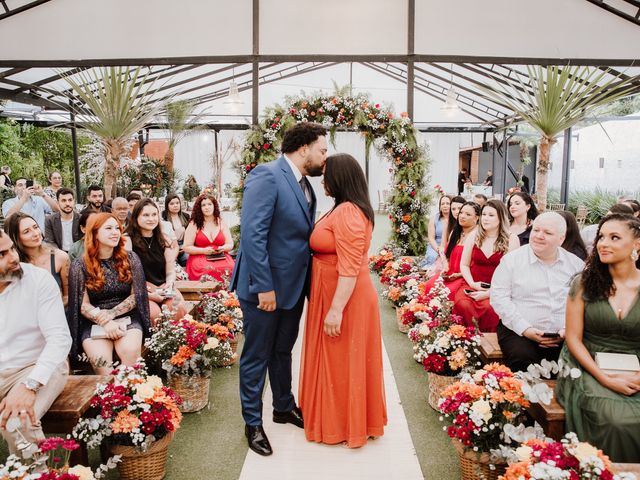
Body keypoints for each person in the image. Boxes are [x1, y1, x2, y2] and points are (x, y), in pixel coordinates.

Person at [230, 122, 327, 457]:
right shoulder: (267, 175)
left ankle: (283, 407)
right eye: (322, 150)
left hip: (293, 288)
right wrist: (264, 288)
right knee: (257, 354)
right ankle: (253, 422)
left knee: (283, 349)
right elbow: (253, 235)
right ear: (304, 149)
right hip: (265, 289)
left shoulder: (305, 185)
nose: (324, 157)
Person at [299, 153, 387, 448]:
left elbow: (350, 267)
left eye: (326, 175)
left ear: (340, 178)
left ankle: (343, 425)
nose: (322, 180)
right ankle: (336, 419)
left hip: (344, 297)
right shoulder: (342, 207)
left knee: (341, 361)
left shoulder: (349, 212)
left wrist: (335, 310)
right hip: (333, 292)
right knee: (337, 360)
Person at [556, 213, 640, 462]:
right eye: (601, 237)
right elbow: (573, 339)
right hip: (587, 362)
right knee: (615, 420)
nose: (603, 243)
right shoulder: (583, 283)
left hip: (635, 366)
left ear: (637, 244)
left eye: (615, 237)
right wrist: (605, 378)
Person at [0, 228, 71, 458]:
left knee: (17, 422)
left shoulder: (38, 280)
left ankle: (37, 473)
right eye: (2, 254)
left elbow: (59, 339)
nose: (14, 258)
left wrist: (30, 384)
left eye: (11, 248)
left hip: (40, 365)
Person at [491, 212, 584, 373]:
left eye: (548, 233)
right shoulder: (512, 261)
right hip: (519, 331)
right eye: (536, 230)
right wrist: (525, 329)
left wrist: (567, 329)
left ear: (561, 239)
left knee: (573, 366)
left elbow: (584, 301)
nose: (539, 236)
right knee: (523, 360)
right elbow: (499, 299)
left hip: (565, 333)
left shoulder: (576, 265)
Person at [66, 213, 151, 375]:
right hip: (94, 320)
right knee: (101, 362)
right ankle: (113, 398)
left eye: (117, 228)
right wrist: (105, 322)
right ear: (95, 233)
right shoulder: (80, 265)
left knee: (130, 353)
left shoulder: (130, 258)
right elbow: (82, 304)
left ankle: (134, 396)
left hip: (127, 316)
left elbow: (136, 296)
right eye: (108, 228)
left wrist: (111, 314)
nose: (115, 232)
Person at [453, 200, 519, 331]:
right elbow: (464, 265)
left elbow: (513, 275)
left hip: (498, 289)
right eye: (483, 214)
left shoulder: (511, 239)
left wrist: (490, 293)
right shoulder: (474, 236)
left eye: (491, 215)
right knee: (463, 304)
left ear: (500, 217)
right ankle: (465, 339)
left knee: (490, 308)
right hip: (471, 284)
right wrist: (472, 284)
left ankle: (486, 344)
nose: (485, 218)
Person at [124, 198, 185, 325]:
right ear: (136, 217)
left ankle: (176, 342)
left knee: (177, 308)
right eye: (146, 215)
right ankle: (155, 344)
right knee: (154, 314)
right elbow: (126, 274)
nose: (151, 219)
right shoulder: (127, 240)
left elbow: (170, 269)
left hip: (163, 286)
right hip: (139, 288)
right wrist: (148, 294)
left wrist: (169, 283)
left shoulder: (164, 239)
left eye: (154, 215)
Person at [4, 213, 70, 305]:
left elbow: (67, 296)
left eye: (35, 227)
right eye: (26, 231)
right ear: (15, 237)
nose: (36, 234)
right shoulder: (11, 264)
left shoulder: (60, 257)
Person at [423, 201, 480, 300]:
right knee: (429, 286)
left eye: (468, 214)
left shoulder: (478, 235)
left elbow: (478, 264)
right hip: (450, 273)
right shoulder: (455, 231)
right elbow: (447, 254)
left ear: (476, 218)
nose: (462, 216)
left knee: (448, 293)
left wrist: (460, 274)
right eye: (461, 213)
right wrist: (445, 267)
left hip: (465, 276)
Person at [183, 193, 234, 282]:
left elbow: (230, 244)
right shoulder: (194, 224)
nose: (207, 207)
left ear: (214, 206)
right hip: (200, 256)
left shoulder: (221, 222)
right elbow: (186, 247)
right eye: (203, 205)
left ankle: (226, 294)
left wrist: (223, 248)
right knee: (207, 269)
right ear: (199, 208)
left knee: (231, 267)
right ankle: (209, 295)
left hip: (220, 255)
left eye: (210, 204)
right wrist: (203, 250)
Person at [44, 188, 81, 253]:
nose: (67, 204)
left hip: (79, 255)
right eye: (63, 200)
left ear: (74, 201)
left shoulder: (82, 219)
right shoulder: (50, 220)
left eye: (70, 200)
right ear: (58, 202)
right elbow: (50, 242)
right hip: (59, 254)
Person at [420, 195, 450, 269]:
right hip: (435, 245)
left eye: (447, 203)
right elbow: (431, 238)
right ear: (440, 206)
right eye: (442, 204)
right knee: (432, 256)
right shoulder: (434, 219)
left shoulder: (455, 219)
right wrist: (438, 249)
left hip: (450, 245)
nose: (445, 206)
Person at [162, 193, 190, 267]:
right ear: (167, 205)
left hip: (184, 245)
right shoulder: (163, 216)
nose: (175, 205)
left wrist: (185, 246)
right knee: (171, 262)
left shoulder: (186, 216)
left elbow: (189, 234)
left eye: (177, 203)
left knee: (187, 259)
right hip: (169, 246)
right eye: (172, 204)